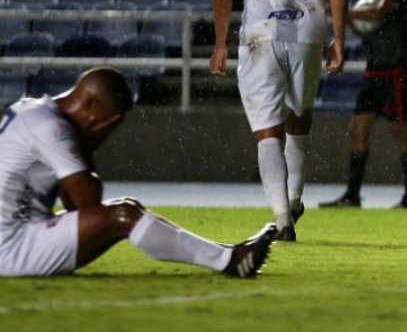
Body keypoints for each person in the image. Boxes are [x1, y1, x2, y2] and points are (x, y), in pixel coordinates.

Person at [0, 67, 276, 277]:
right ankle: (230, 261)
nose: (107, 134)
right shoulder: (53, 129)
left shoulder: (31, 110)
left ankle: (227, 253)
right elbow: (87, 204)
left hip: (17, 233)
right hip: (12, 247)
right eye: (110, 127)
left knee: (127, 207)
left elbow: (77, 209)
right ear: (91, 108)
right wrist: (86, 149)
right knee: (123, 216)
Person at [211, 0, 349, 241]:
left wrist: (220, 43)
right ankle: (295, 196)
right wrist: (340, 38)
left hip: (261, 31)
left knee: (267, 129)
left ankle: (283, 218)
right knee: (299, 116)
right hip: (307, 28)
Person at [320, 0, 407, 210]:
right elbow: (364, 28)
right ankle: (352, 195)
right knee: (358, 128)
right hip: (375, 69)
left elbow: (378, 15)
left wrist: (345, 11)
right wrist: (350, 18)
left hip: (395, 70)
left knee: (397, 129)